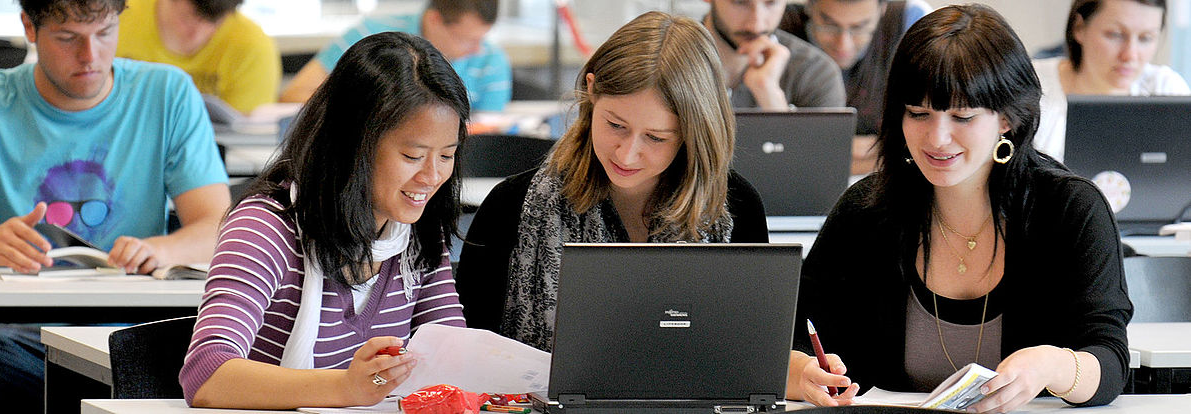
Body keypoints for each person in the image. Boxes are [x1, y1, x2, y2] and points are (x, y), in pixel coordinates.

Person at [787, 5, 1132, 412]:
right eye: (918, 114)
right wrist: (800, 373)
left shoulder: (1070, 210)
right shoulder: (866, 212)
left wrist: (1052, 366)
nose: (938, 138)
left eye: (962, 116)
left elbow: (1109, 361)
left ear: (1007, 118)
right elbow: (792, 339)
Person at [0, 0, 231, 410]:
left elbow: (217, 230)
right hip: (12, 337)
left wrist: (159, 249)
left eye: (105, 33)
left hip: (130, 337)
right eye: (68, 38)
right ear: (29, 27)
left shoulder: (167, 93)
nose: (90, 56)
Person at [179, 31, 468, 409]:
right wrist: (344, 389)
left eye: (446, 156)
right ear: (354, 145)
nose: (431, 177)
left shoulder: (415, 230)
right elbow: (206, 375)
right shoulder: (268, 226)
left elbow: (455, 359)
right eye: (413, 156)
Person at [455, 11, 770, 351]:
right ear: (591, 90)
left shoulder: (738, 206)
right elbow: (470, 350)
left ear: (693, 134)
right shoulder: (510, 206)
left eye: (656, 138)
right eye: (616, 125)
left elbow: (760, 346)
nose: (626, 154)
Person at [279, 0, 511, 112]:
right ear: (434, 20)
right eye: (465, 39)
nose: (478, 49)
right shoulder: (369, 36)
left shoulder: (492, 60)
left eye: (482, 38)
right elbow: (293, 95)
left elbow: (487, 133)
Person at [1031, 0, 1190, 162]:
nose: (1130, 55)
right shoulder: (1029, 85)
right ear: (1079, 27)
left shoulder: (1166, 89)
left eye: (1146, 38)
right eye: (1115, 34)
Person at [779, 0, 931, 135]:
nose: (843, 44)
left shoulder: (909, 20)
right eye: (830, 25)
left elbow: (926, 137)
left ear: (883, 9)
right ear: (810, 6)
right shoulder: (776, 26)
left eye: (859, 27)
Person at [117, 0, 280, 114]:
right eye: (186, 19)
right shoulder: (118, 16)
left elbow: (247, 136)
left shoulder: (252, 46)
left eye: (213, 23)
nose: (197, 34)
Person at [700, 0, 846, 111]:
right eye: (740, 2)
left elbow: (816, 151)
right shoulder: (677, 57)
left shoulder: (817, 73)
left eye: (771, 2)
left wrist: (770, 96)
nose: (757, 25)